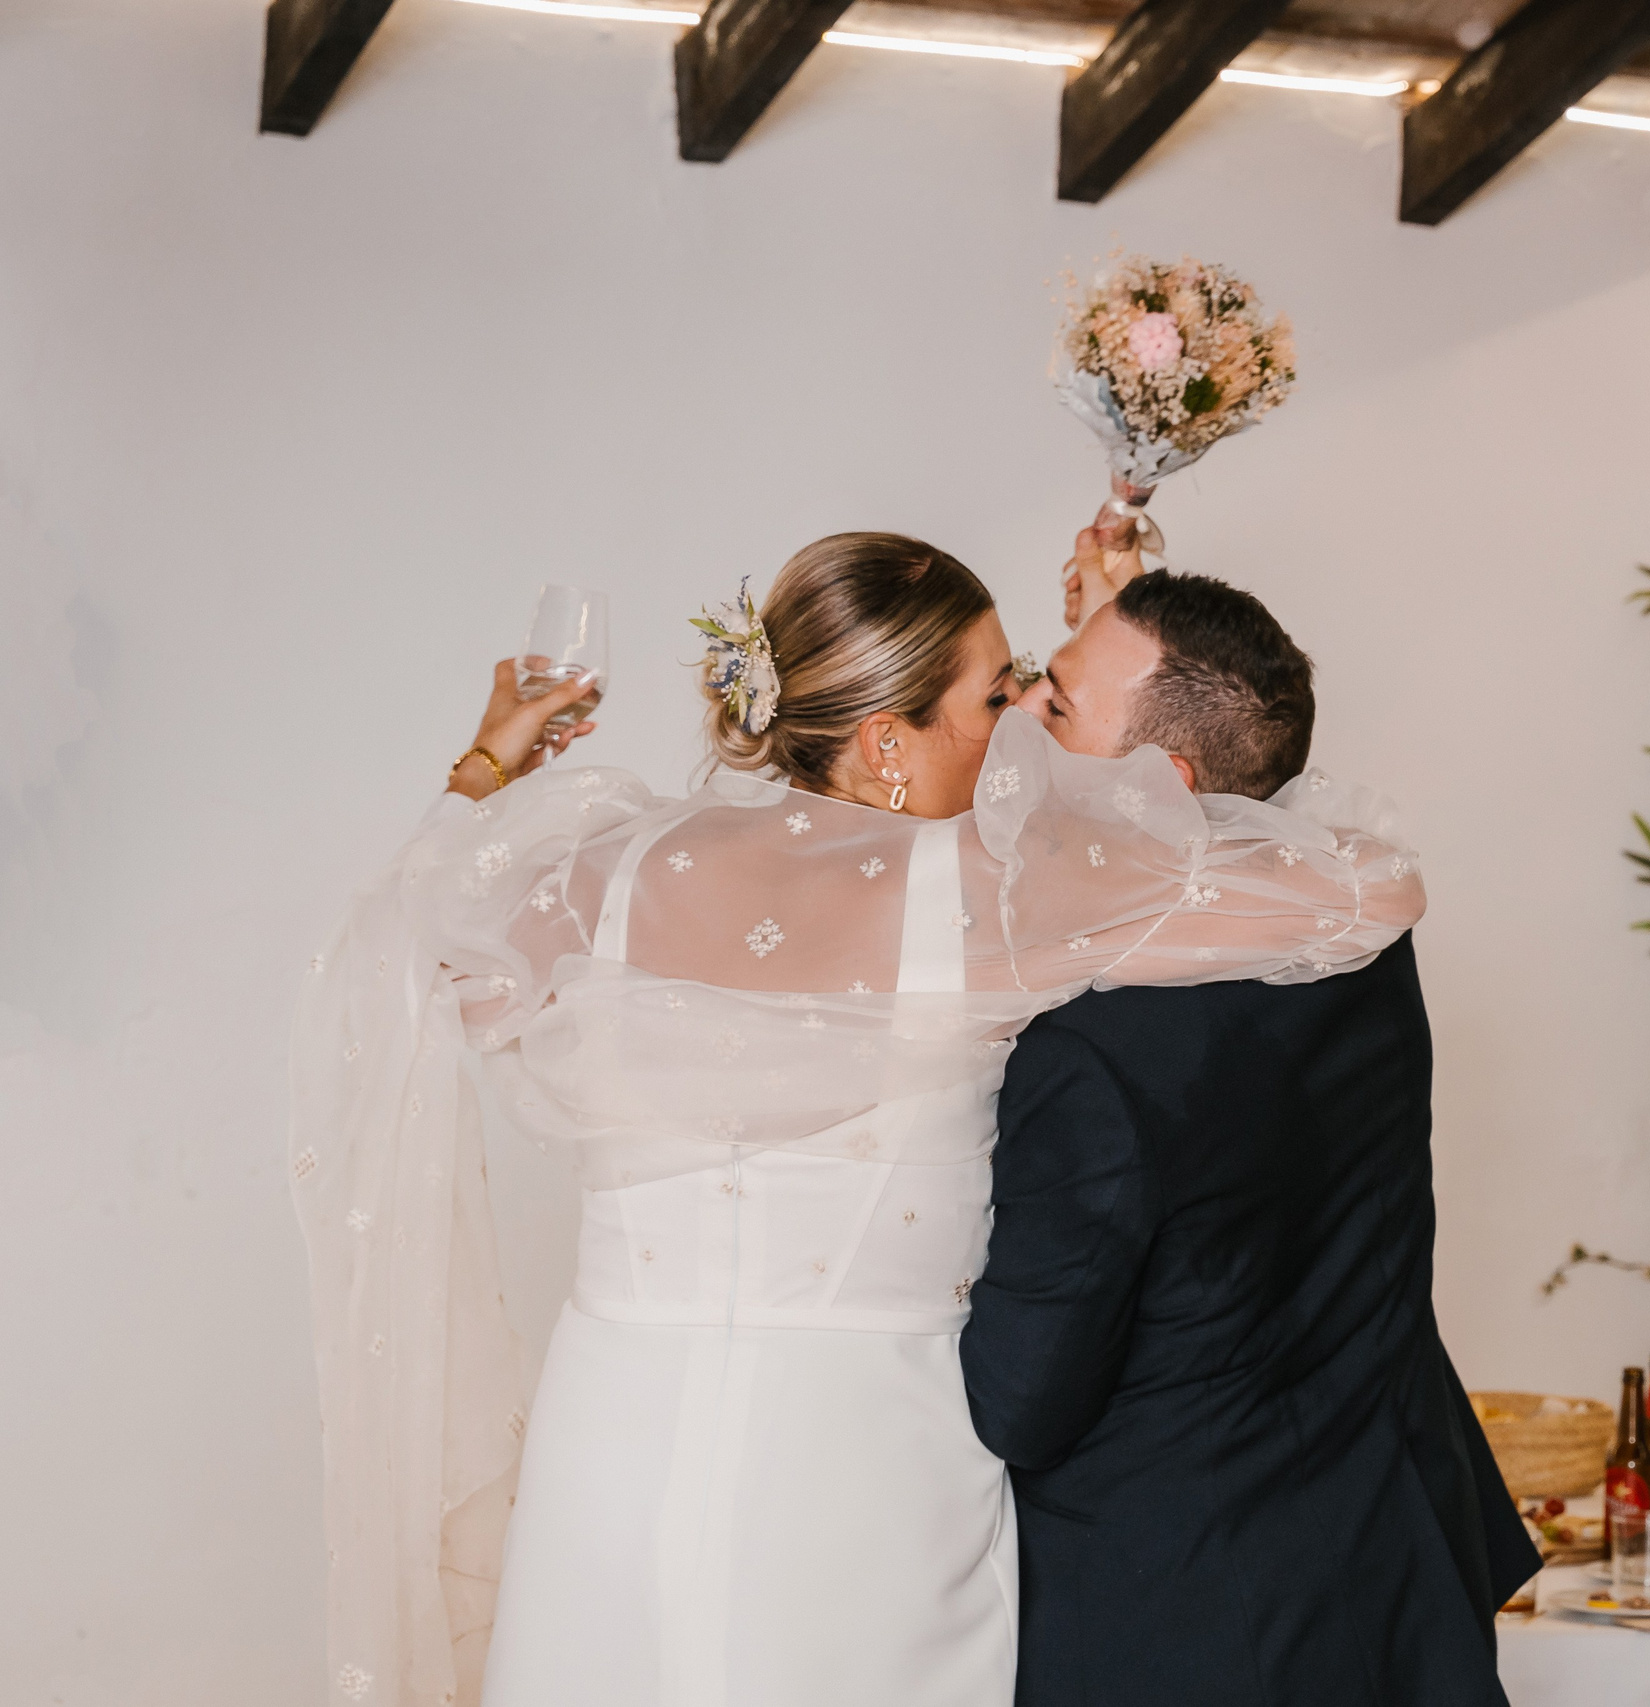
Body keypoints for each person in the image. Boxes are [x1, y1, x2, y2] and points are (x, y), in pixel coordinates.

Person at [288, 531, 1424, 1707]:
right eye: (997, 696)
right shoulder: (997, 895)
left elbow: (408, 933)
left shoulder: (603, 876)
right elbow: (1372, 889)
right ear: (888, 742)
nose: (1019, 727)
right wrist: (1130, 755)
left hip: (613, 1443)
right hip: (868, 1465)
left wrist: (488, 765)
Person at [960, 532, 1541, 1707]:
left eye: (1054, 703)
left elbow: (1020, 1406)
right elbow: (1215, 753)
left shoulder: (1088, 1054)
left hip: (1197, 1619)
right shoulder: (1356, 929)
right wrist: (1115, 630)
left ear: (1159, 786)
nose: (1018, 712)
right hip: (1395, 1563)